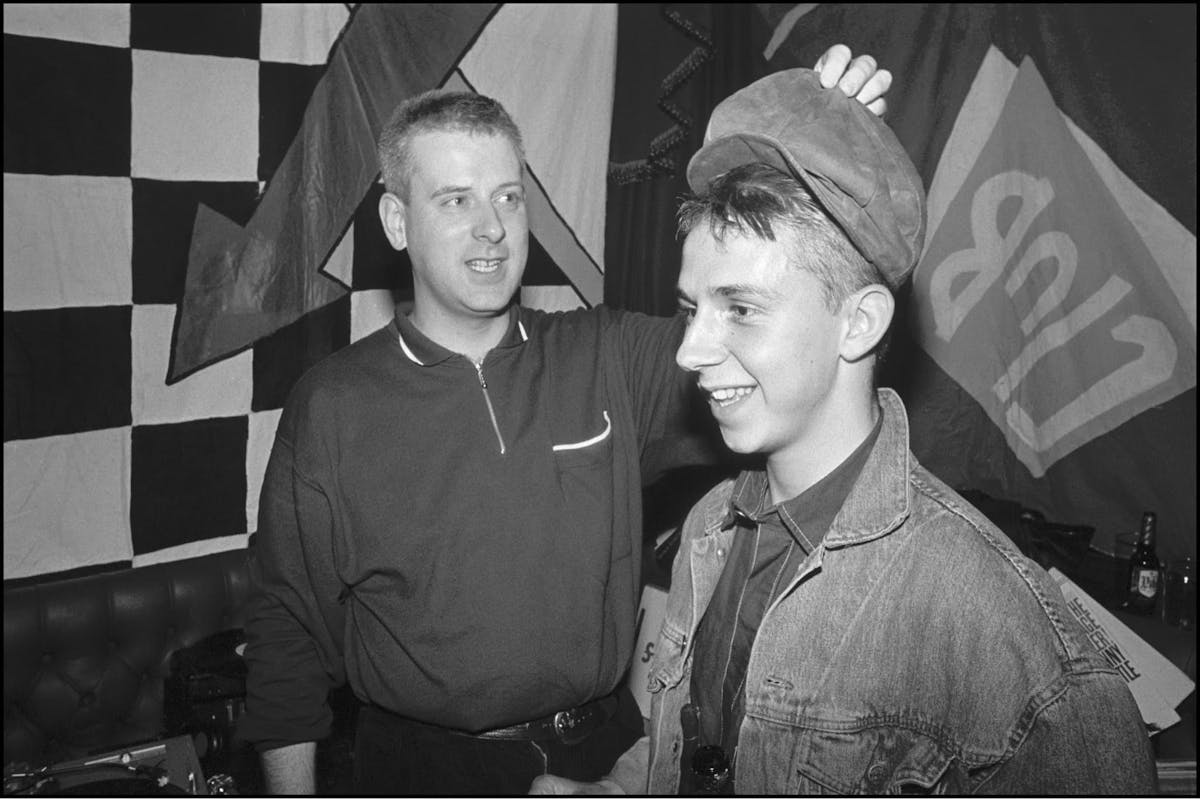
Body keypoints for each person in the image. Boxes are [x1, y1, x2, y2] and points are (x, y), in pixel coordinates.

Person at [237, 48, 892, 795]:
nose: (491, 228)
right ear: (397, 220)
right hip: (421, 769)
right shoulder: (332, 404)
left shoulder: (604, 353)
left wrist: (819, 164)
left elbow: (774, 341)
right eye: (455, 201)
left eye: (508, 197)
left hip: (602, 756)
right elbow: (286, 634)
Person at [531, 68, 1158, 795]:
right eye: (692, 309)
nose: (689, 350)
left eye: (740, 309)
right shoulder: (709, 528)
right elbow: (706, 735)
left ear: (858, 324)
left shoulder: (994, 622)